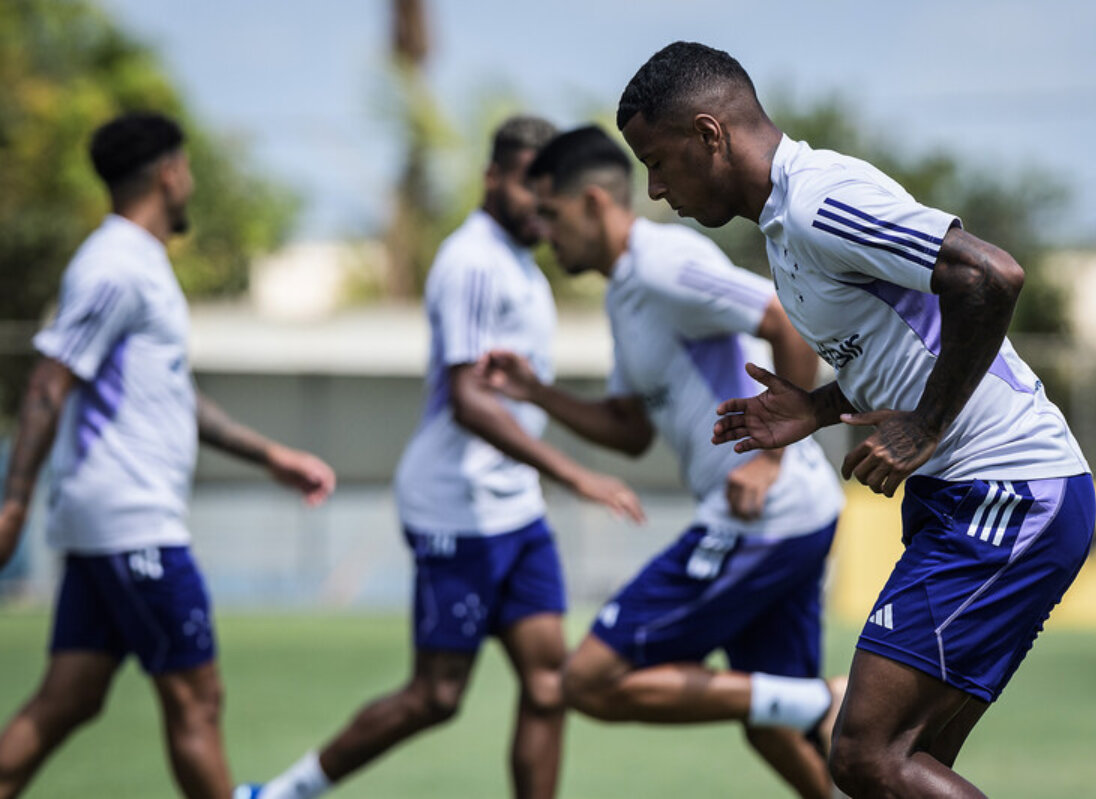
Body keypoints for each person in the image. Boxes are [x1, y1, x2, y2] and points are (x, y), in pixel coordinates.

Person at [617, 42, 1095, 798]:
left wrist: (928, 425)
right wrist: (816, 407)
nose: (653, 189)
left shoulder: (815, 200)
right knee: (907, 762)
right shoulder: (782, 224)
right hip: (963, 496)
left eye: (658, 161)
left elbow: (992, 275)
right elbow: (911, 339)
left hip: (1007, 488)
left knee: (867, 757)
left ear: (710, 134)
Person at [241, 116, 644, 799]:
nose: (537, 205)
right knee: (436, 695)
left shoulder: (522, 263)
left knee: (550, 684)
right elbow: (465, 399)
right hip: (455, 508)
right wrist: (573, 472)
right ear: (491, 178)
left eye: (546, 190)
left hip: (514, 510)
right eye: (524, 185)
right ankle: (280, 793)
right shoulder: (472, 261)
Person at [483, 125, 847, 798]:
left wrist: (769, 459)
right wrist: (535, 391)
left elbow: (783, 319)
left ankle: (822, 698)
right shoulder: (625, 294)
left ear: (594, 203)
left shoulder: (662, 262)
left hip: (767, 510)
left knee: (588, 680)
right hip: (780, 514)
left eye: (552, 214)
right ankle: (815, 704)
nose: (543, 230)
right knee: (773, 720)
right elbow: (627, 429)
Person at [0, 111, 337, 799]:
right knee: (197, 699)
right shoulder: (115, 266)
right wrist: (13, 502)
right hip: (134, 521)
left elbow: (173, 398)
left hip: (113, 524)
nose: (190, 183)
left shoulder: (138, 263)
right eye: (187, 169)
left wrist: (270, 454)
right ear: (168, 172)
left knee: (70, 697)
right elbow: (48, 380)